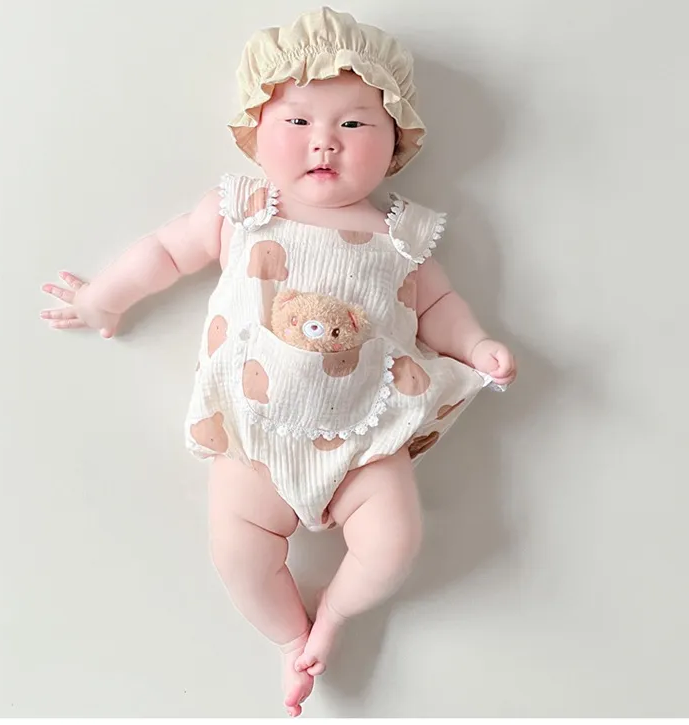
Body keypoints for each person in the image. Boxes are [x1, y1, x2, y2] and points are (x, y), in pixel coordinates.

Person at [40, 7, 517, 717]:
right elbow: (165, 252)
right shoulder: (243, 209)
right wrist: (104, 299)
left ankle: (337, 614)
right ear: (254, 132)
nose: (324, 141)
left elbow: (438, 305)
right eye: (297, 121)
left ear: (396, 140)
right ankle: (292, 635)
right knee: (238, 551)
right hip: (253, 437)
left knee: (393, 542)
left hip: (365, 441)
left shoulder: (400, 236)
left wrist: (475, 344)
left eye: (353, 123)